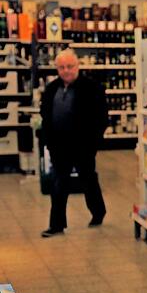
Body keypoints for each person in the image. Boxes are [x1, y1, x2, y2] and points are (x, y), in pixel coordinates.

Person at [39, 48, 107, 237]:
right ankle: (56, 225)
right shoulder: (51, 88)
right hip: (59, 147)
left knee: (88, 180)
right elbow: (45, 116)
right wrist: (48, 141)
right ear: (57, 69)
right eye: (61, 67)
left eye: (69, 66)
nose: (66, 70)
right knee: (58, 184)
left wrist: (93, 143)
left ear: (77, 66)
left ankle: (98, 212)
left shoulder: (91, 88)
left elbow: (102, 118)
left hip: (83, 146)